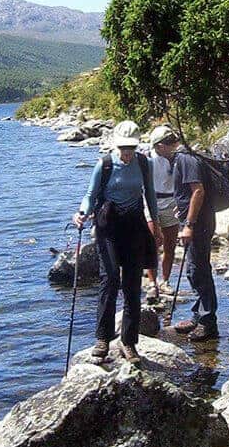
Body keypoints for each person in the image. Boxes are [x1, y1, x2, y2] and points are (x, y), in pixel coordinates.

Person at [73, 120, 161, 363]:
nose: (127, 152)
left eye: (131, 147)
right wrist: (81, 214)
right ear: (116, 145)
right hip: (108, 227)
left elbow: (150, 194)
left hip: (134, 225)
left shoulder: (144, 163)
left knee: (133, 285)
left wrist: (157, 224)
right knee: (110, 279)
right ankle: (102, 338)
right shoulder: (105, 164)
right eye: (123, 147)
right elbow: (90, 196)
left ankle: (129, 343)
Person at [169, 140, 219, 341]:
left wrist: (188, 224)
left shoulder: (185, 159)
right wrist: (181, 208)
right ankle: (199, 316)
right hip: (199, 220)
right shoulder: (185, 157)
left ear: (162, 146)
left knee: (199, 270)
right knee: (194, 269)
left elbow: (198, 191)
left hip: (199, 223)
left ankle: (208, 323)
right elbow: (189, 193)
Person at [144, 125, 181, 302]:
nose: (173, 146)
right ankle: (152, 283)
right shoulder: (147, 160)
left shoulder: (176, 159)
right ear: (159, 146)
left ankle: (164, 281)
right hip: (151, 203)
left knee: (170, 245)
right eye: (169, 144)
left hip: (171, 202)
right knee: (153, 243)